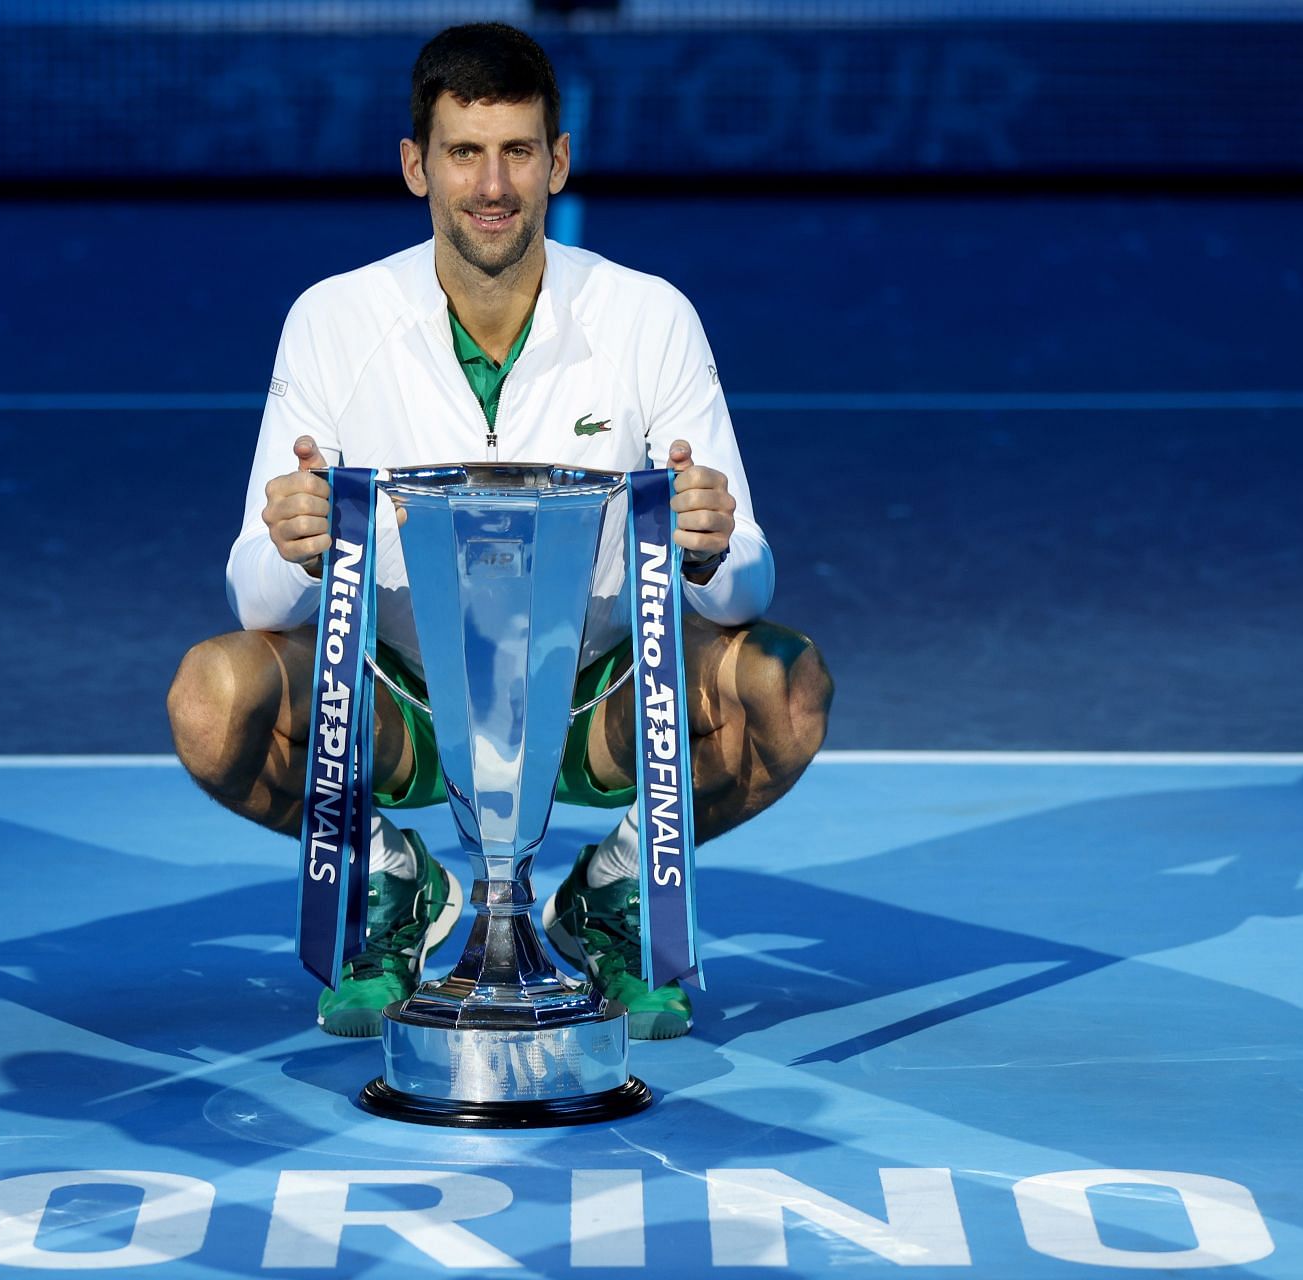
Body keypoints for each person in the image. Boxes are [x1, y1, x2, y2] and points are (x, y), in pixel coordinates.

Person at [169, 22, 832, 1042]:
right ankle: (390, 881)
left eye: (519, 150)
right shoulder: (332, 320)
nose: (492, 183)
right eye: (464, 152)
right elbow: (257, 596)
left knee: (786, 690)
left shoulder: (650, 317)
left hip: (602, 698)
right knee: (212, 702)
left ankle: (612, 889)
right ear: (415, 165)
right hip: (397, 702)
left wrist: (708, 543)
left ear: (558, 160)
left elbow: (746, 586)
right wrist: (297, 544)